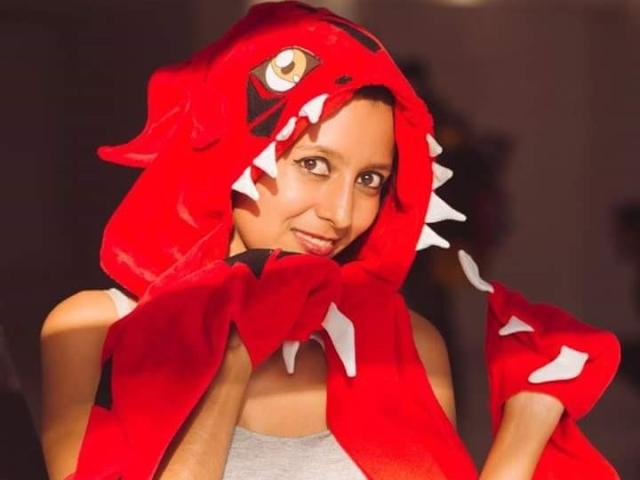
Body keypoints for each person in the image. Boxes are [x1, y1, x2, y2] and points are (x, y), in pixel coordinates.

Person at [39, 2, 619, 479]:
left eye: (370, 180)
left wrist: (529, 416)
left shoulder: (405, 341)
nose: (341, 214)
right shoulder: (93, 328)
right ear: (235, 152)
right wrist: (232, 354)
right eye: (314, 164)